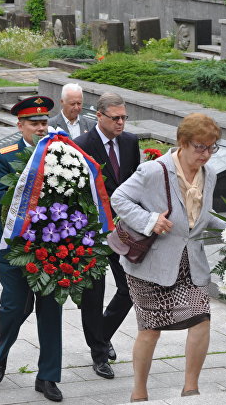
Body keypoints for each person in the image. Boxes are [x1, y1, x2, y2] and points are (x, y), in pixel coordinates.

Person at [111, 113, 226, 400]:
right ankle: (139, 391)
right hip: (151, 264)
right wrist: (149, 220)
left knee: (201, 319)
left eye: (212, 147)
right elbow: (119, 199)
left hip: (192, 262)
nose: (206, 154)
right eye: (200, 147)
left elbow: (205, 217)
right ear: (183, 143)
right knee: (151, 330)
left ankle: (191, 389)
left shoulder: (209, 174)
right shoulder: (154, 170)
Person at [0, 96, 65, 402]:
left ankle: (48, 377)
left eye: (45, 122)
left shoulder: (60, 154)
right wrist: (25, 189)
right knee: (15, 307)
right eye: (35, 123)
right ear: (20, 126)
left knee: (51, 311)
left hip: (51, 249)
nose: (42, 128)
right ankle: (1, 352)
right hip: (14, 248)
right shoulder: (4, 156)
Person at [73, 92, 141, 380]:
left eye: (124, 117)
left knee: (129, 289)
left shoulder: (130, 143)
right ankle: (99, 355)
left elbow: (135, 184)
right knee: (93, 294)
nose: (121, 123)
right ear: (99, 116)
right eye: (115, 118)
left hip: (123, 232)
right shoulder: (81, 146)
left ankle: (100, 335)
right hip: (93, 233)